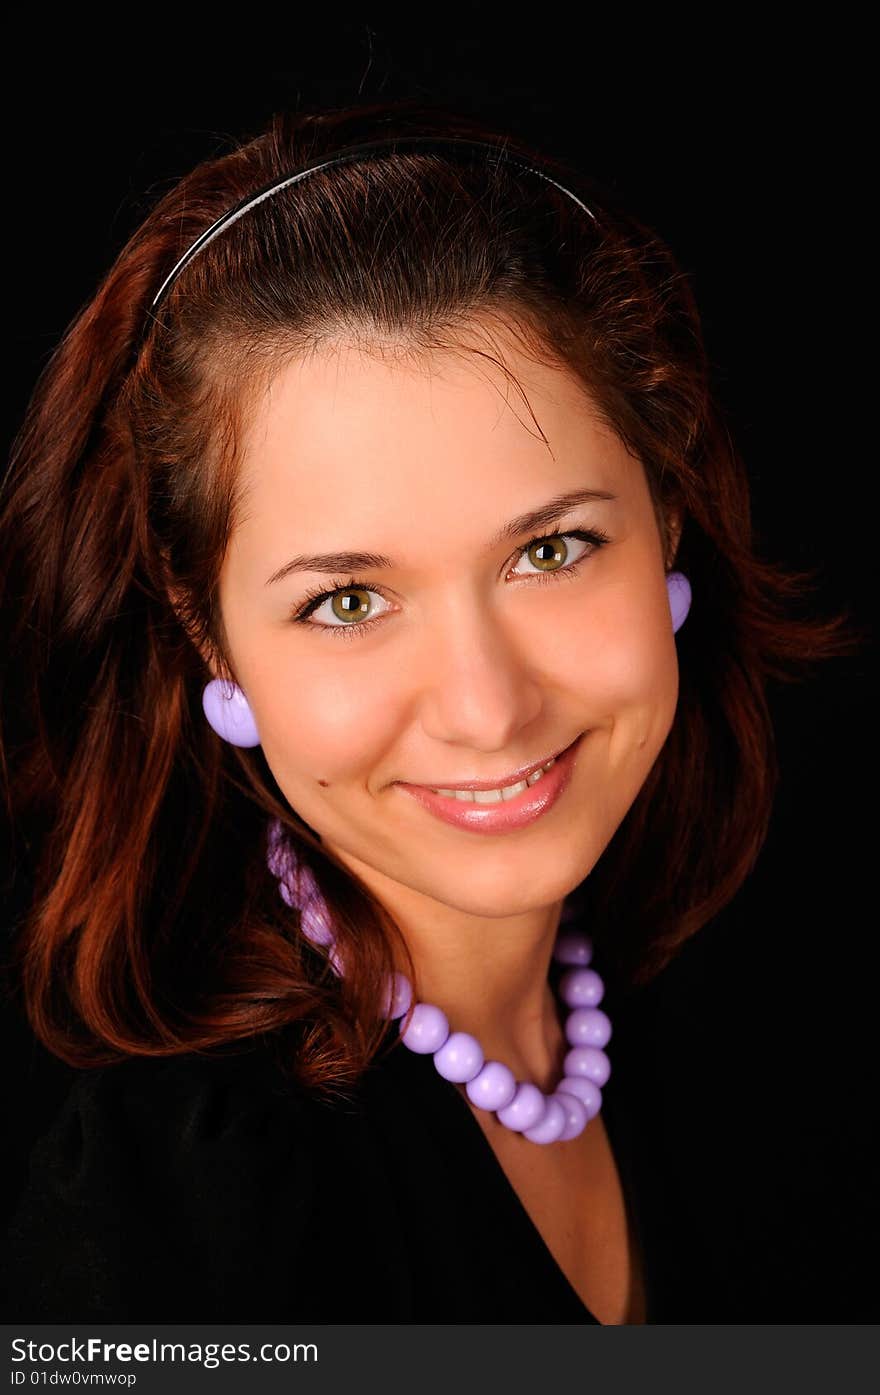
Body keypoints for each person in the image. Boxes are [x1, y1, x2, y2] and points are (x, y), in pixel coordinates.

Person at [0, 99, 863, 1325]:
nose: (486, 706)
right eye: (348, 601)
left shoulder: (761, 1002)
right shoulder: (176, 1229)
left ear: (667, 513)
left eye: (553, 549)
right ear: (207, 632)